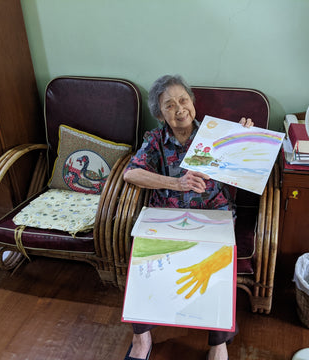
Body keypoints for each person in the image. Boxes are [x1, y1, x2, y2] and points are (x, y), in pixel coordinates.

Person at [123, 74, 254, 360]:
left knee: (218, 257)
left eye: (183, 100)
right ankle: (141, 338)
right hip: (168, 215)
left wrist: (245, 136)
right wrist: (176, 183)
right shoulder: (155, 139)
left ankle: (218, 343)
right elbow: (130, 173)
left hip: (213, 213)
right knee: (143, 254)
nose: (179, 108)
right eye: (169, 105)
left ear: (193, 104)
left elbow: (248, 158)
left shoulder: (215, 133)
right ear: (160, 114)